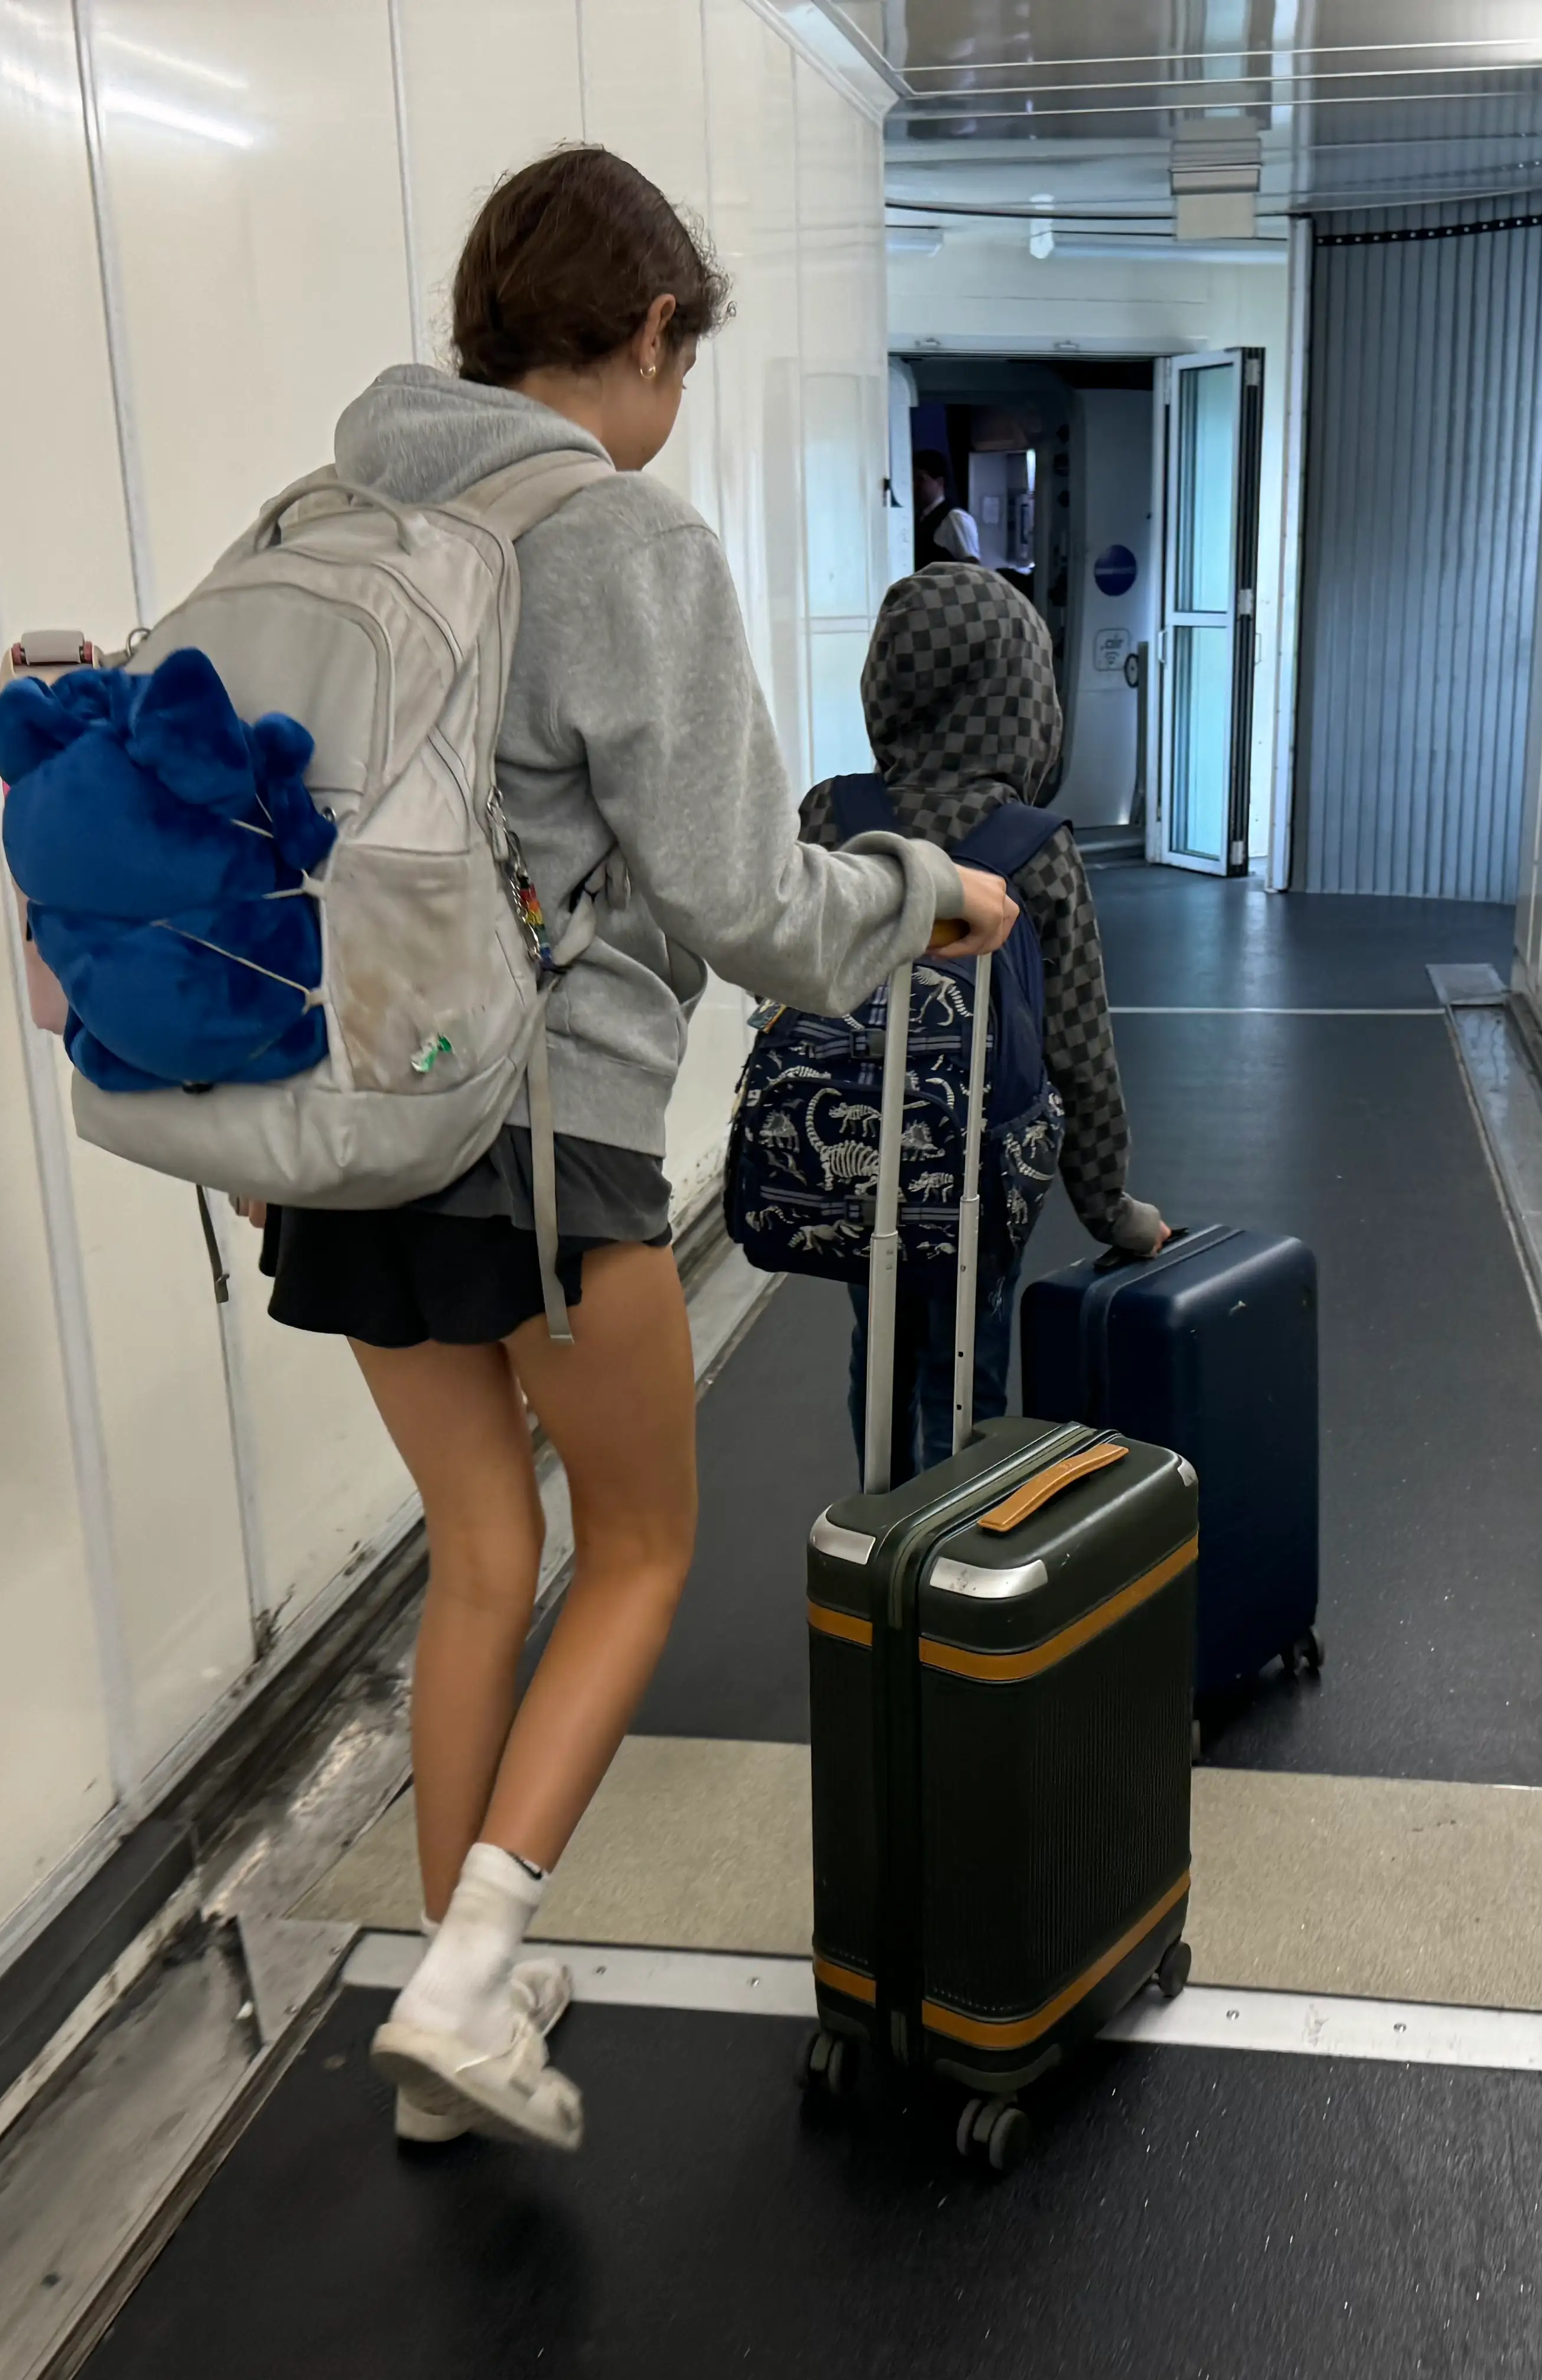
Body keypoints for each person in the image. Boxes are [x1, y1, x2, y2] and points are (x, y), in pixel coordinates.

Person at [264, 148, 1019, 2151]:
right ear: (657, 330)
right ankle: (462, 1979)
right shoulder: (620, 544)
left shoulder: (328, 514)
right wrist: (926, 887)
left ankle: (458, 2009)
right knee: (644, 1549)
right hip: (544, 1150)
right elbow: (750, 906)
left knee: (479, 1560)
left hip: (342, 1134)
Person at [799, 562, 1168, 1483]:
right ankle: (950, 1560)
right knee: (967, 1364)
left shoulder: (835, 816)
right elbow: (1079, 1049)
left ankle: (873, 1539)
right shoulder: (1032, 850)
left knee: (875, 1341)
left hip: (853, 1166)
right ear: (1023, 701)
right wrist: (1110, 1208)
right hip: (981, 1184)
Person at [911, 446, 982, 570]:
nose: (914, 485)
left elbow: (972, 568)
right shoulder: (918, 518)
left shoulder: (956, 518)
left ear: (940, 482)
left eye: (920, 479)